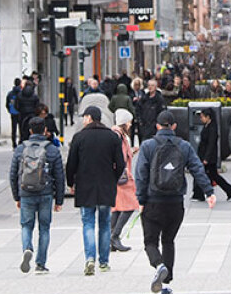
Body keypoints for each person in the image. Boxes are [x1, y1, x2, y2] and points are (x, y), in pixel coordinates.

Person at [134, 110, 215, 294]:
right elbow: (197, 168)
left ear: (157, 126)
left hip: (153, 201)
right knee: (168, 241)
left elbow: (141, 174)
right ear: (174, 126)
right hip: (175, 203)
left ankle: (159, 265)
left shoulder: (147, 146)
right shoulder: (184, 146)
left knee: (150, 242)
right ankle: (165, 283)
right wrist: (208, 192)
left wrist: (141, 199)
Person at [65, 106, 125, 276]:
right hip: (106, 186)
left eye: (84, 117)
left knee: (88, 223)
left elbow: (71, 164)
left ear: (90, 118)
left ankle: (90, 258)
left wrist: (71, 182)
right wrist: (113, 178)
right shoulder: (112, 137)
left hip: (85, 187)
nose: (83, 120)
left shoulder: (79, 137)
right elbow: (120, 163)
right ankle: (104, 262)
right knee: (105, 224)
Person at [11, 116, 66, 275]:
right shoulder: (52, 149)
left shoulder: (21, 149)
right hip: (45, 193)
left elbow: (13, 174)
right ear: (45, 131)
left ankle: (27, 248)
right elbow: (60, 176)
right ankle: (40, 264)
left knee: (26, 225)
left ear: (30, 131)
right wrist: (59, 200)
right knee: (44, 228)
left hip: (26, 192)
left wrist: (17, 196)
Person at [110, 109, 140, 252]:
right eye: (129, 121)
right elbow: (119, 157)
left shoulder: (116, 134)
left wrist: (132, 151)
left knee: (117, 207)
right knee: (130, 205)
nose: (130, 124)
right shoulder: (119, 136)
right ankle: (115, 236)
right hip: (123, 177)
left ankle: (111, 238)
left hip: (117, 176)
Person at [195, 108, 231, 201]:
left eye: (202, 117)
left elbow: (211, 144)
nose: (201, 119)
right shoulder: (207, 126)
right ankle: (229, 190)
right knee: (213, 175)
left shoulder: (212, 128)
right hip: (206, 156)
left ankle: (199, 194)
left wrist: (206, 158)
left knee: (201, 174)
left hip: (209, 157)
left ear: (208, 117)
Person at [6, 78, 21, 147]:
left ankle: (14, 143)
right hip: (20, 113)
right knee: (21, 128)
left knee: (13, 129)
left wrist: (9, 110)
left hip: (13, 112)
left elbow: (7, 103)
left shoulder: (10, 93)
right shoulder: (21, 93)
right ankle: (20, 142)